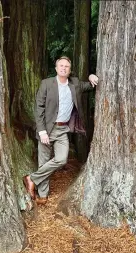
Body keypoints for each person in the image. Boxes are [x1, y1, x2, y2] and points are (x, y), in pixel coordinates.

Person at [23, 56, 98, 205]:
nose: (64, 68)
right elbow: (39, 109)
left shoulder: (75, 83)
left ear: (70, 70)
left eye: (67, 67)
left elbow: (90, 85)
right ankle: (42, 194)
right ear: (56, 68)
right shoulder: (46, 84)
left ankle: (31, 178)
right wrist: (42, 131)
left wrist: (91, 76)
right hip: (47, 129)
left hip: (63, 129)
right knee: (43, 161)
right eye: (61, 66)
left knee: (61, 159)